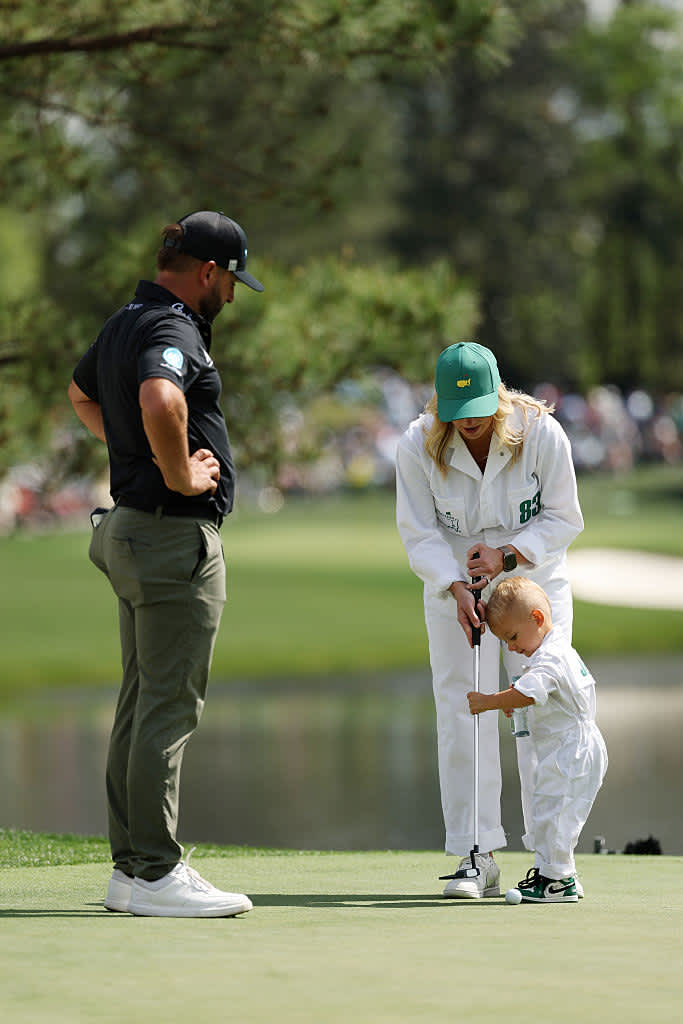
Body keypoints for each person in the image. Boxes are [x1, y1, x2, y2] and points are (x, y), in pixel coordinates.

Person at [68, 210, 264, 917]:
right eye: (231, 280)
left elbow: (81, 393)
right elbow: (158, 396)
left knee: (139, 701)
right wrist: (176, 472)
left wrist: (136, 455)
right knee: (167, 706)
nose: (233, 296)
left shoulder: (126, 319)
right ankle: (154, 872)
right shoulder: (172, 328)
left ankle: (131, 869)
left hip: (130, 531)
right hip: (170, 536)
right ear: (206, 272)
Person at [395, 341, 584, 898]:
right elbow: (419, 532)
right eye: (457, 413)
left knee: (542, 711)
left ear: (498, 394)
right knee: (463, 709)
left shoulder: (540, 433)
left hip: (534, 583)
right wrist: (456, 584)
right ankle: (475, 855)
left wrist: (507, 557)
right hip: (452, 584)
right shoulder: (417, 442)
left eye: (478, 408)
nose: (469, 422)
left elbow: (565, 517)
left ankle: (554, 863)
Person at [468, 577, 608, 902]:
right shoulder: (552, 651)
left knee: (554, 813)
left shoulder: (551, 658)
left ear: (538, 619)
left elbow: (530, 693)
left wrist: (490, 701)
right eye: (505, 642)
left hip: (571, 749)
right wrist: (511, 703)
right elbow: (536, 697)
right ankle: (560, 874)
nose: (512, 648)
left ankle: (557, 882)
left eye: (513, 637)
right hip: (572, 747)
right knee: (556, 812)